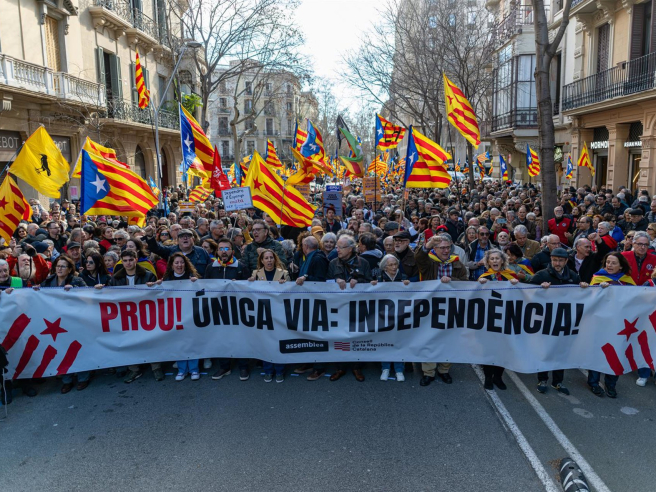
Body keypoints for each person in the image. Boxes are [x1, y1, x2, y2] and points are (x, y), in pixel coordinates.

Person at [529, 248, 586, 395]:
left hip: (564, 321)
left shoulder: (573, 276)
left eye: (560, 260)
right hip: (546, 321)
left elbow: (579, 297)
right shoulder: (541, 275)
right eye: (555, 260)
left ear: (566, 261)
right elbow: (528, 294)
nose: (557, 263)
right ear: (551, 260)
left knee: (561, 352)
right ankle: (542, 379)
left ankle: (557, 381)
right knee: (545, 351)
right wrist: (539, 289)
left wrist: (583, 287)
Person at [415, 234, 468, 386]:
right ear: (435, 249)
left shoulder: (457, 263)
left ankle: (444, 370)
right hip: (430, 307)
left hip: (451, 307)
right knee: (429, 339)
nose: (446, 251)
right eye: (442, 248)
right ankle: (429, 372)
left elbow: (465, 283)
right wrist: (428, 244)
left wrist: (452, 281)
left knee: (448, 340)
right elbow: (419, 258)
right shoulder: (429, 262)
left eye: (448, 247)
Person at [321, 236, 372, 382]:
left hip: (357, 306)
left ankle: (357, 367)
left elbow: (371, 283)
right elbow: (326, 282)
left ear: (350, 249)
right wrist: (335, 281)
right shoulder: (333, 263)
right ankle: (340, 367)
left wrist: (359, 281)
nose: (337, 250)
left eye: (340, 247)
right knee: (339, 336)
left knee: (357, 336)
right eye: (337, 247)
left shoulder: (363, 263)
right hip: (339, 307)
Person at [106, 250, 159, 382]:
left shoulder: (148, 275)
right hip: (126, 315)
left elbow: (157, 294)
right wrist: (99, 290)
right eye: (125, 260)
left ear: (136, 260)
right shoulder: (115, 278)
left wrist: (153, 287)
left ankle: (156, 367)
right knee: (128, 342)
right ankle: (134, 369)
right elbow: (109, 296)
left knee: (150, 340)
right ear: (121, 262)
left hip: (145, 313)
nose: (128, 263)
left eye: (130, 260)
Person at [588, 252, 636, 398]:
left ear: (620, 266)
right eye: (608, 262)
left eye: (613, 263)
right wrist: (598, 290)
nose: (609, 265)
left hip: (619, 325)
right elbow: (590, 300)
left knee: (616, 354)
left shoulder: (627, 281)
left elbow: (635, 300)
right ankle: (594, 383)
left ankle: (611, 384)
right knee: (597, 352)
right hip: (600, 323)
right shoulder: (597, 278)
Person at [39, 255, 89, 393]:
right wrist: (36, 290)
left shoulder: (77, 280)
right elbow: (38, 296)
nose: (59, 269)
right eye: (58, 266)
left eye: (63, 266)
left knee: (77, 349)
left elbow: (88, 296)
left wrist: (75, 290)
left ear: (69, 269)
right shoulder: (49, 281)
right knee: (61, 350)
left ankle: (83, 377)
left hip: (74, 321)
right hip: (56, 323)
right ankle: (67, 380)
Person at [149, 253, 201, 381]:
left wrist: (197, 284)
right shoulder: (167, 280)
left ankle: (194, 369)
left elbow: (202, 294)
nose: (179, 265)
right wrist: (155, 285)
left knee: (192, 342)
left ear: (186, 264)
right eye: (176, 263)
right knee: (178, 342)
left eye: (182, 262)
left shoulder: (192, 277)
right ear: (171, 265)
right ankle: (182, 370)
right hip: (175, 316)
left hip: (191, 315)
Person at [477, 250, 519, 391]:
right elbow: (476, 298)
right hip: (488, 319)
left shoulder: (511, 276)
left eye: (497, 258)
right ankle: (488, 377)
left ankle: (498, 377)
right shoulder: (483, 277)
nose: (495, 261)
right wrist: (480, 285)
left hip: (506, 318)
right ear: (488, 262)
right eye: (492, 259)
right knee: (489, 349)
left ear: (503, 261)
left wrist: (516, 284)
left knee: (503, 349)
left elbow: (520, 295)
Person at [248, 250, 288, 382]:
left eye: (271, 257)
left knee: (278, 342)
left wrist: (285, 284)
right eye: (266, 258)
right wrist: (249, 282)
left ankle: (280, 370)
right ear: (262, 260)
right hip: (263, 313)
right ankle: (268, 370)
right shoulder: (255, 274)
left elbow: (291, 293)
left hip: (279, 313)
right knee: (265, 343)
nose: (269, 260)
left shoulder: (284, 273)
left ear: (275, 259)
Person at [371, 254, 409, 382]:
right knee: (385, 342)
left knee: (399, 342)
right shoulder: (379, 279)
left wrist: (409, 286)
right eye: (390, 265)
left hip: (400, 315)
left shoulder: (404, 278)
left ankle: (399, 369)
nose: (394, 267)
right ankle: (385, 368)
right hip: (384, 316)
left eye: (395, 264)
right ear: (384, 267)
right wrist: (372, 286)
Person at [144, 227, 211, 277]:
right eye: (182, 236)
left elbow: (210, 271)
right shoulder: (171, 251)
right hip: (178, 288)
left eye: (188, 236)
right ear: (177, 240)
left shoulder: (202, 252)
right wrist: (150, 236)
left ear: (193, 239)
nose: (185, 238)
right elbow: (156, 248)